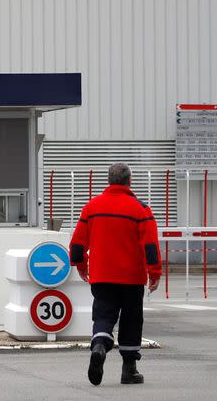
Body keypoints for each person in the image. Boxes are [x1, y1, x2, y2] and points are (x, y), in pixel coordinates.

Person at [69, 163, 161, 386]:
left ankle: (100, 345)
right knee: (131, 320)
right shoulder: (141, 209)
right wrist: (154, 273)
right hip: (131, 278)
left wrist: (81, 266)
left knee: (103, 316)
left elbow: (77, 245)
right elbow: (150, 246)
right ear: (129, 181)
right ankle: (129, 370)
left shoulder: (92, 207)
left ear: (109, 181)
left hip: (102, 277)